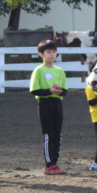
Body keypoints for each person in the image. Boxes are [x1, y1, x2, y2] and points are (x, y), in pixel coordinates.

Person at [29, 40, 68, 175]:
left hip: (57, 103)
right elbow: (34, 90)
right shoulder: (39, 70)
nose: (52, 55)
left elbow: (66, 90)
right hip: (45, 103)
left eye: (54, 52)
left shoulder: (60, 71)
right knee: (48, 134)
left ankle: (55, 163)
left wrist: (59, 90)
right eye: (48, 52)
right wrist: (49, 91)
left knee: (58, 134)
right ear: (41, 54)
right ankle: (48, 164)